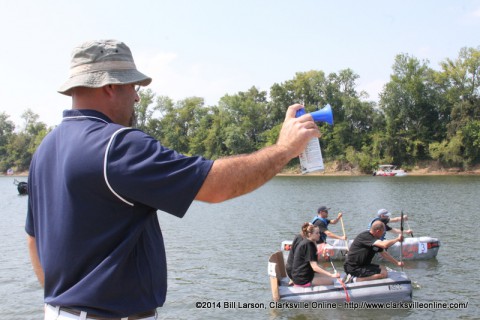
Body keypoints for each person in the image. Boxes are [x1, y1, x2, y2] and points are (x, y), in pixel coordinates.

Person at [25, 39, 320, 320]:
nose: (138, 96)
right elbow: (216, 186)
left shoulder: (44, 150)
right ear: (111, 84)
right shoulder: (118, 145)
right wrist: (285, 149)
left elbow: (33, 239)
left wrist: (63, 300)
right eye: (133, 86)